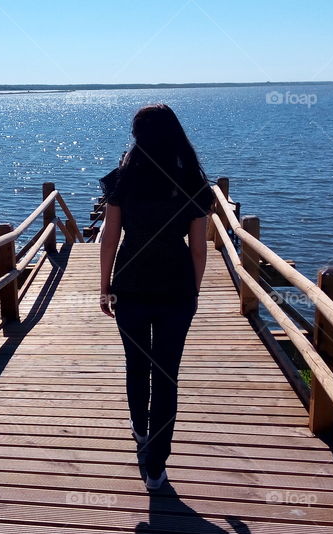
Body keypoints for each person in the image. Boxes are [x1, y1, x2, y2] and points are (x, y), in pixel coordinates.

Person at [99, 104, 213, 491]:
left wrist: (104, 286)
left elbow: (109, 238)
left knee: (136, 364)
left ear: (137, 136)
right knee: (166, 375)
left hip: (129, 284)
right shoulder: (192, 180)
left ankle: (141, 431)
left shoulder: (123, 179)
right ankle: (155, 467)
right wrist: (194, 291)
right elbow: (199, 249)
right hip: (176, 287)